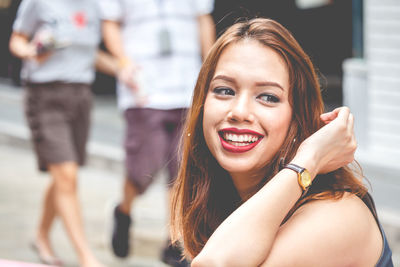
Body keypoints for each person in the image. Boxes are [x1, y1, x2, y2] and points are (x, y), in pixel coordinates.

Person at [170, 18, 394, 266]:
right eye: (225, 90)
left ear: (296, 118)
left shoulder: (338, 214)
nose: (239, 111)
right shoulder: (227, 204)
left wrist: (310, 158)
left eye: (267, 97)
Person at [98, 0, 215, 265]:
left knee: (182, 169)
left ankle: (173, 242)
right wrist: (123, 62)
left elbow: (202, 18)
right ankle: (123, 210)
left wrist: (211, 66)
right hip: (143, 89)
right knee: (143, 169)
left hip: (187, 87)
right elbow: (110, 23)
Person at [8, 0, 110, 266]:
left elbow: (90, 55)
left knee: (65, 174)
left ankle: (41, 235)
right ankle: (86, 257)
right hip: (45, 95)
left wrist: (123, 68)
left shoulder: (96, 6)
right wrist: (32, 50)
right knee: (66, 173)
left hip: (80, 96)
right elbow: (16, 40)